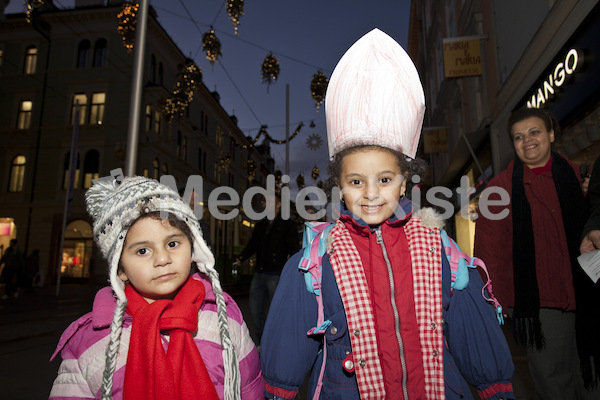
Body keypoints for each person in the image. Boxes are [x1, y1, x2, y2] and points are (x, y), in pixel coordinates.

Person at [260, 28, 515, 400]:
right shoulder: (314, 263)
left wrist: (496, 390)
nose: (371, 193)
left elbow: (472, 331)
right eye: (356, 181)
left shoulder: (439, 251)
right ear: (340, 186)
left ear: (404, 181)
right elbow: (287, 346)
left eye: (384, 178)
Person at [49, 175, 263, 400]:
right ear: (119, 269)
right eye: (143, 250)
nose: (162, 259)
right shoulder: (90, 341)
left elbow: (250, 386)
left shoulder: (224, 317)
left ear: (193, 250)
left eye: (172, 244)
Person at [474, 107, 600, 399]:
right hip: (541, 307)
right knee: (554, 384)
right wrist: (494, 304)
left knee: (593, 377)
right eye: (518, 137)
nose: (527, 140)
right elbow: (488, 254)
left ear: (551, 134)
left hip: (587, 295)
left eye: (534, 132)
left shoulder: (579, 177)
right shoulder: (499, 190)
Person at [234, 193, 300, 344]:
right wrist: (241, 258)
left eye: (269, 201)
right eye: (265, 201)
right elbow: (253, 245)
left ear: (278, 204)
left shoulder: (287, 224)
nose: (266, 204)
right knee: (255, 310)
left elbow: (294, 250)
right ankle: (262, 342)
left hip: (276, 275)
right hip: (259, 273)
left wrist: (293, 272)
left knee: (276, 313)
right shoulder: (261, 224)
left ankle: (276, 343)